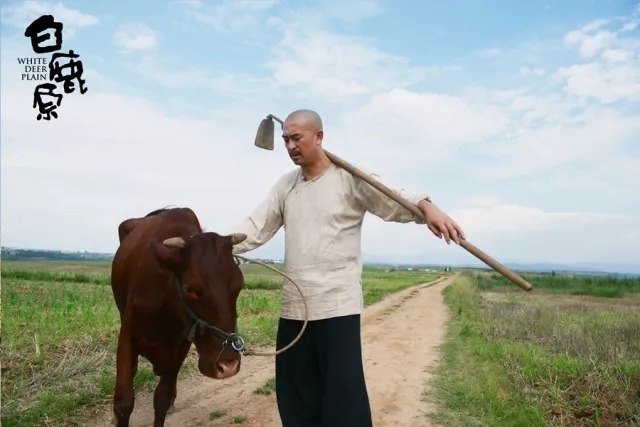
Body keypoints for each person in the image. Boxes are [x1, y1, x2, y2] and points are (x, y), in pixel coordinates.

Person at [231, 109, 465, 427]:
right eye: (286, 139)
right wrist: (208, 245)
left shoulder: (349, 178)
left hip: (337, 307)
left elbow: (394, 199)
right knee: (296, 397)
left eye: (296, 138)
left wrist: (426, 206)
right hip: (294, 309)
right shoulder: (286, 186)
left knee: (342, 398)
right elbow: (254, 227)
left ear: (319, 136)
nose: (289, 146)